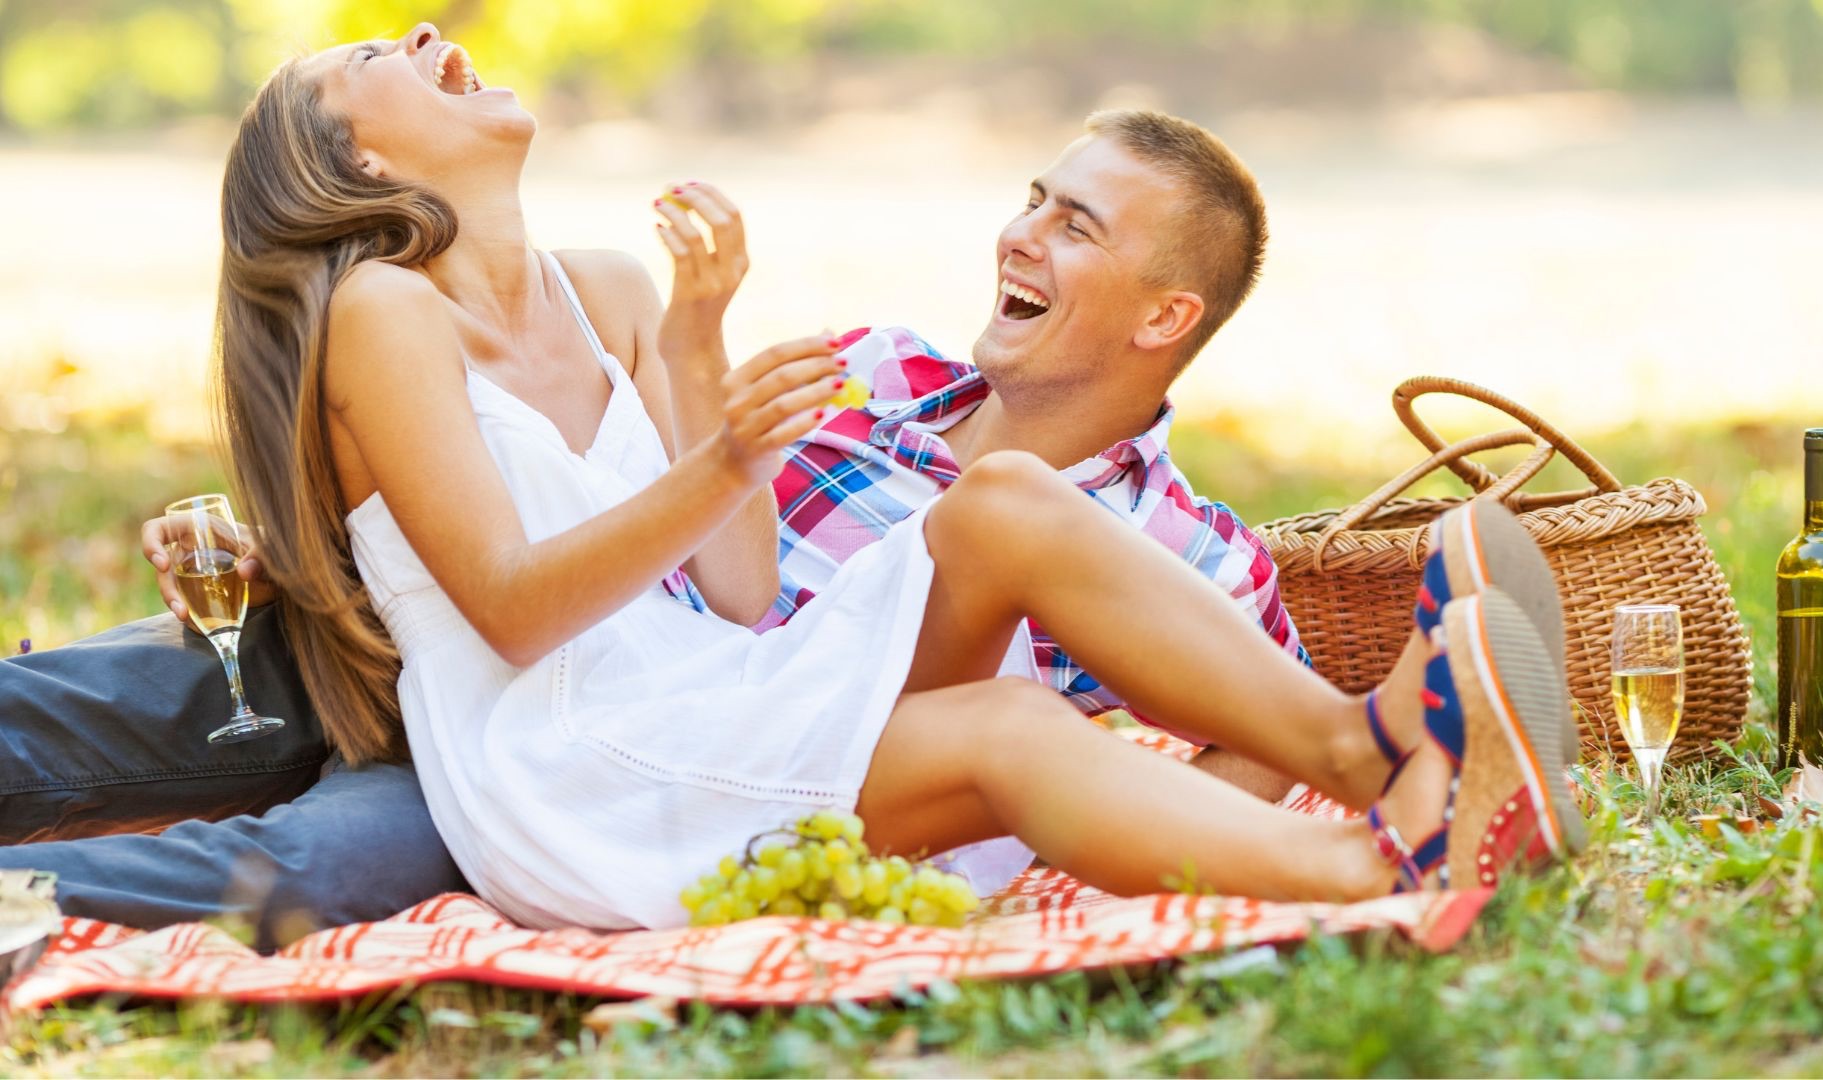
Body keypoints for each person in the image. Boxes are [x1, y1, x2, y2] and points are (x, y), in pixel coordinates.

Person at [0, 28, 1579, 939]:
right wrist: (727, 453)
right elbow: (512, 612)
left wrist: (699, 349)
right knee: (1012, 725)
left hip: (709, 685)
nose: (425, 32)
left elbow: (743, 592)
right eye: (375, 60)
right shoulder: (381, 314)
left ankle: (1368, 764)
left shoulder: (610, 282)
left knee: (1014, 508)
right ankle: (1378, 866)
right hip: (574, 758)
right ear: (355, 171)